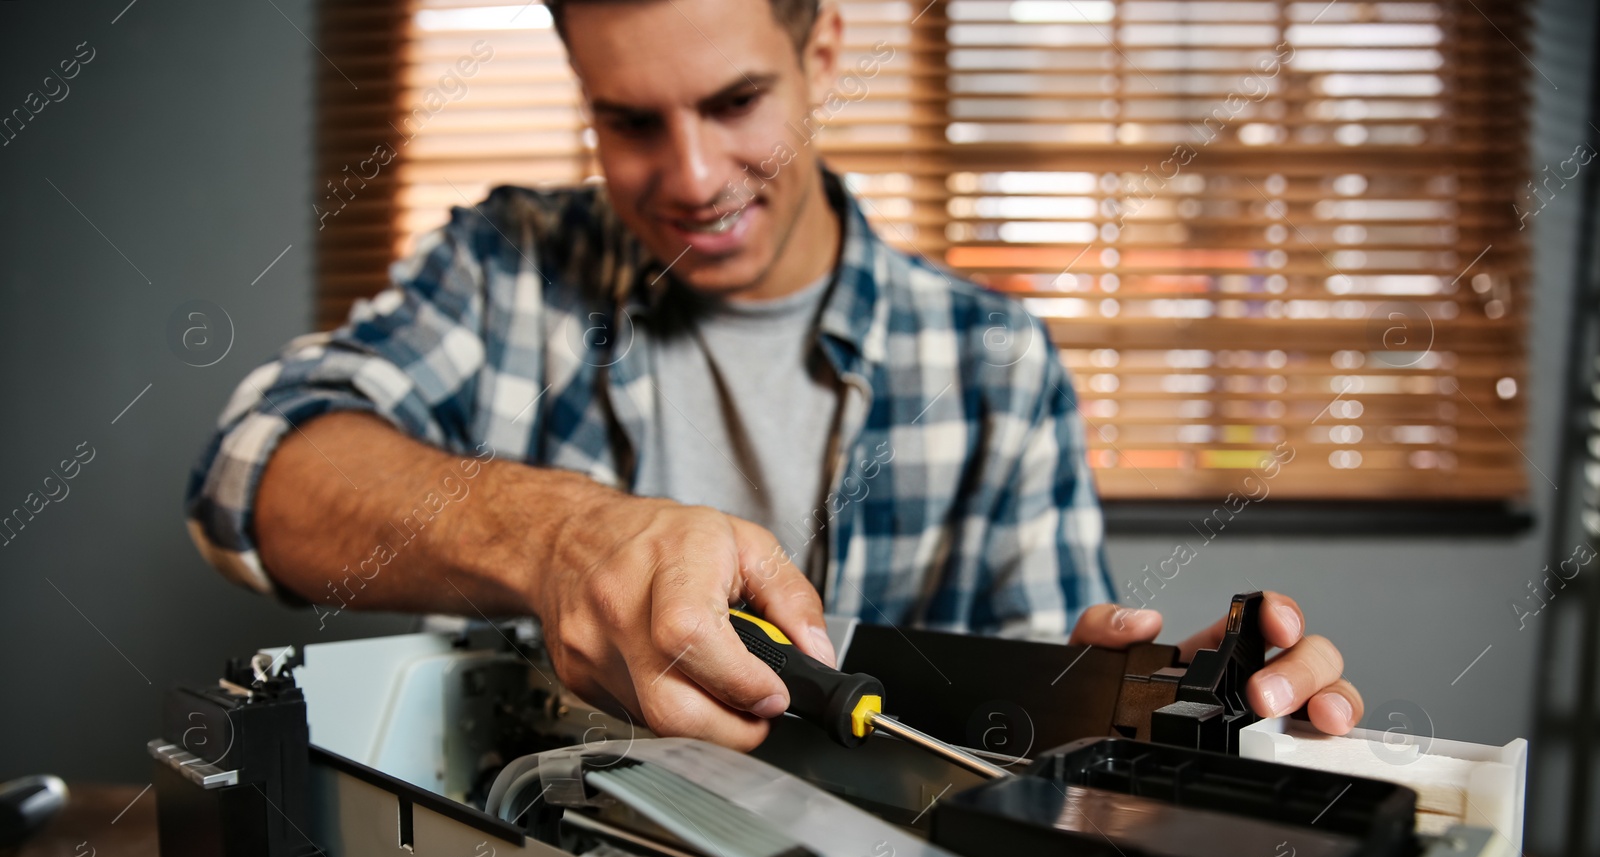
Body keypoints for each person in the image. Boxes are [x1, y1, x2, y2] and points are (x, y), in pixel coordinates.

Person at [185, 0, 1363, 750]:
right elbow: (252, 473)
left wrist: (1169, 715)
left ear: (824, 50)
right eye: (631, 120)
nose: (691, 177)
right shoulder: (502, 269)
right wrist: (558, 539)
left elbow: (1038, 734)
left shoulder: (996, 363)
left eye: (736, 102)